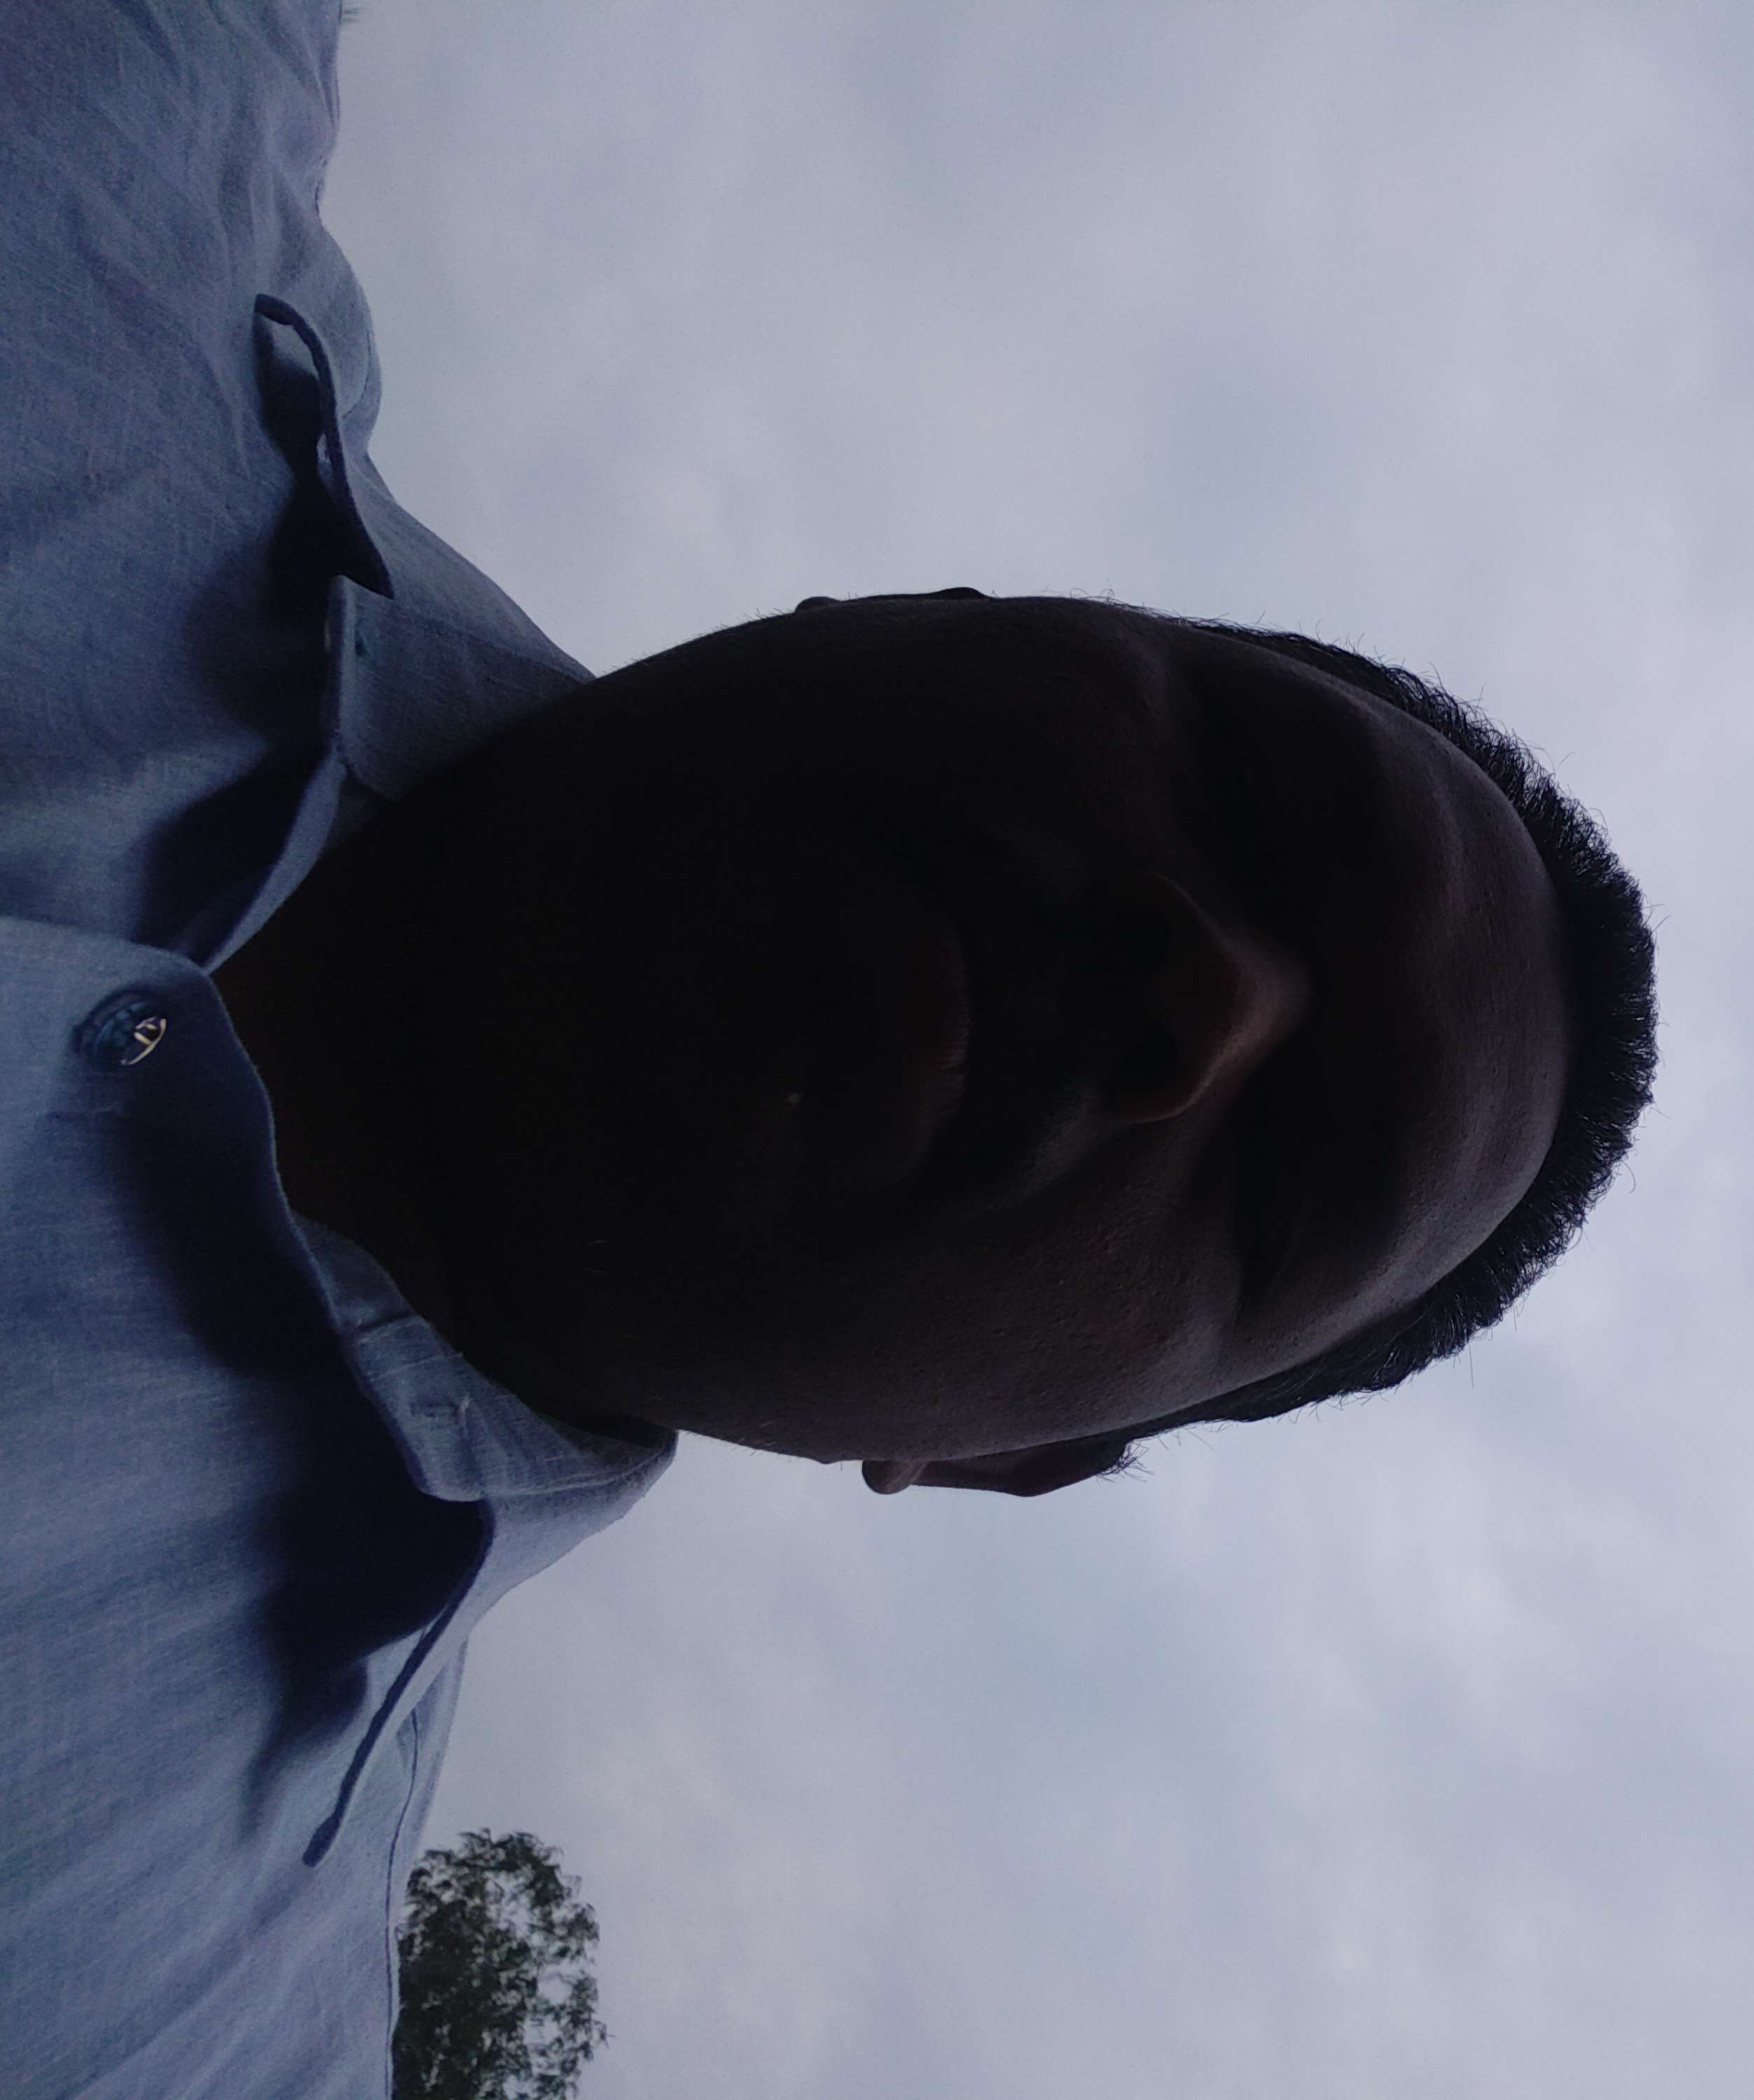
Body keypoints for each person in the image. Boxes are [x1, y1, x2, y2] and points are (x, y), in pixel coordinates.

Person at [0, 4, 1655, 2096]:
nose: (1214, 1000)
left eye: (1284, 1181)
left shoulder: (170, 2031)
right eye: (1250, 792)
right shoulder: (116, 98)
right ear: (928, 609)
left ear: (1013, 1461)